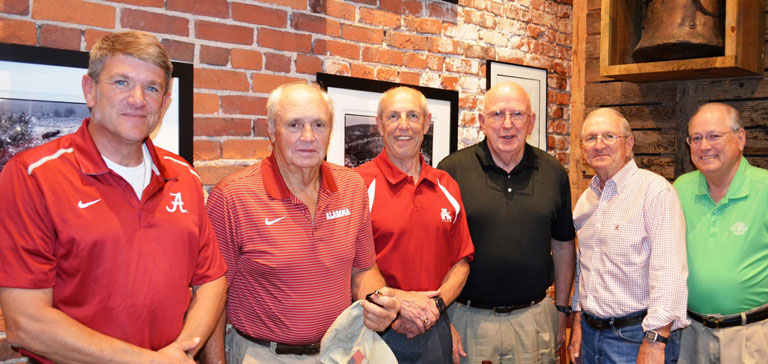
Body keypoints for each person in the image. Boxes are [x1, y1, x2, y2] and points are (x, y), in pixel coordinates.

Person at [0, 30, 227, 364]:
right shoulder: (33, 175)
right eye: (121, 82)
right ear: (89, 90)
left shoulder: (183, 175)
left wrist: (181, 351)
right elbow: (26, 324)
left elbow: (211, 279)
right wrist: (148, 362)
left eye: (152, 88)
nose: (138, 99)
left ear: (164, 103)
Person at [202, 83, 401, 364]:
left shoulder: (352, 186)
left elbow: (364, 269)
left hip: (340, 350)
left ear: (330, 131)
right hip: (264, 355)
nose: (308, 137)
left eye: (319, 124)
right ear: (272, 130)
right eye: (294, 124)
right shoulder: (233, 196)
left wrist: (377, 301)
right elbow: (213, 292)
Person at [438, 81, 576, 363]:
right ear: (482, 121)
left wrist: (562, 310)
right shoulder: (452, 171)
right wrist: (443, 316)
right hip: (467, 321)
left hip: (534, 321)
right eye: (497, 114)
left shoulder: (554, 174)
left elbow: (563, 246)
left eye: (517, 114)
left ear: (531, 122)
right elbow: (435, 249)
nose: (507, 124)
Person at [674, 103, 768, 364]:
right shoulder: (680, 190)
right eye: (696, 138)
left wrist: (764, 308)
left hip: (754, 338)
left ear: (740, 138)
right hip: (691, 335)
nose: (704, 146)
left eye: (714, 136)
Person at [355, 87, 475, 364]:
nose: (403, 126)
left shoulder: (447, 185)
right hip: (377, 329)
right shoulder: (358, 184)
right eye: (393, 116)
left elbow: (462, 261)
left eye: (412, 116)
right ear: (379, 125)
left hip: (434, 326)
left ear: (427, 123)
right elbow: (349, 266)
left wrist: (434, 307)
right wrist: (398, 305)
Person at [567, 108, 689, 364]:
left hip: (636, 336)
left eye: (609, 136)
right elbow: (585, 268)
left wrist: (656, 342)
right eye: (590, 138)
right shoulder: (587, 199)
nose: (599, 145)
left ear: (629, 144)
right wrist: (578, 320)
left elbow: (669, 272)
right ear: (582, 147)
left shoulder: (655, 192)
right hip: (590, 334)